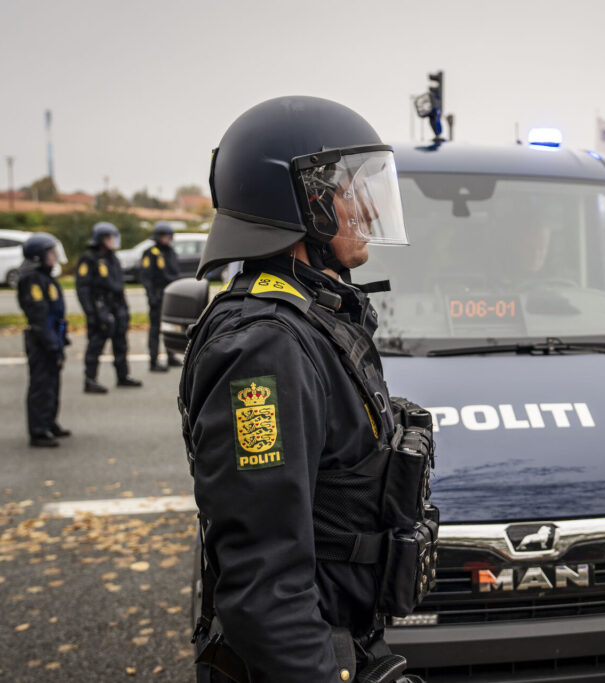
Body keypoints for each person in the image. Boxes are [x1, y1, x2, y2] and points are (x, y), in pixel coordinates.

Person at [179, 96, 436, 683]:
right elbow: (264, 582)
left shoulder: (311, 318)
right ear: (307, 201)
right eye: (352, 191)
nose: (367, 210)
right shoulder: (265, 348)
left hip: (345, 645)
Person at [17, 233, 70, 447]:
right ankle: (38, 431)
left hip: (52, 337)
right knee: (41, 385)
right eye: (51, 253)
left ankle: (49, 422)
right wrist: (51, 343)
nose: (55, 256)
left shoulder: (46, 276)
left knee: (53, 383)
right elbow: (39, 315)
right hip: (42, 339)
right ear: (38, 256)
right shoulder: (32, 279)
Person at [75, 222, 142, 393]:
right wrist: (91, 313)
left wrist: (125, 310)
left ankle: (123, 376)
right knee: (96, 345)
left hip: (117, 307)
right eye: (110, 238)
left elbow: (119, 287)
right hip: (100, 308)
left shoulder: (113, 258)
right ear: (101, 239)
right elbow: (83, 289)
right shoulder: (89, 259)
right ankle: (90, 380)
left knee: (121, 344)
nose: (113, 241)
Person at [141, 221, 181, 372]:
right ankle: (153, 361)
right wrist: (151, 296)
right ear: (157, 237)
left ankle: (170, 356)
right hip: (157, 297)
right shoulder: (150, 253)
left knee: (170, 328)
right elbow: (146, 277)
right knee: (155, 329)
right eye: (164, 236)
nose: (167, 238)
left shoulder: (170, 251)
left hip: (170, 296)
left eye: (169, 235)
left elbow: (175, 274)